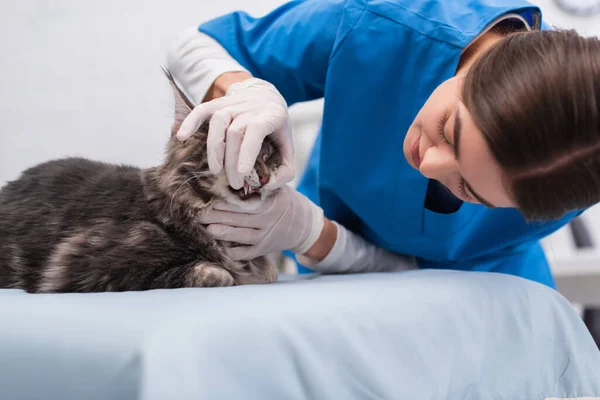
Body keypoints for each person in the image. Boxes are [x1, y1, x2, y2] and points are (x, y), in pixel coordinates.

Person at [165, 0, 600, 288]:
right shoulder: (388, 23)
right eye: (449, 130)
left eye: (468, 189)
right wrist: (244, 92)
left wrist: (315, 234)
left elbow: (426, 276)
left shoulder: (567, 174)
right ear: (482, 62)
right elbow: (195, 45)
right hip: (339, 283)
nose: (429, 164)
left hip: (484, 293)